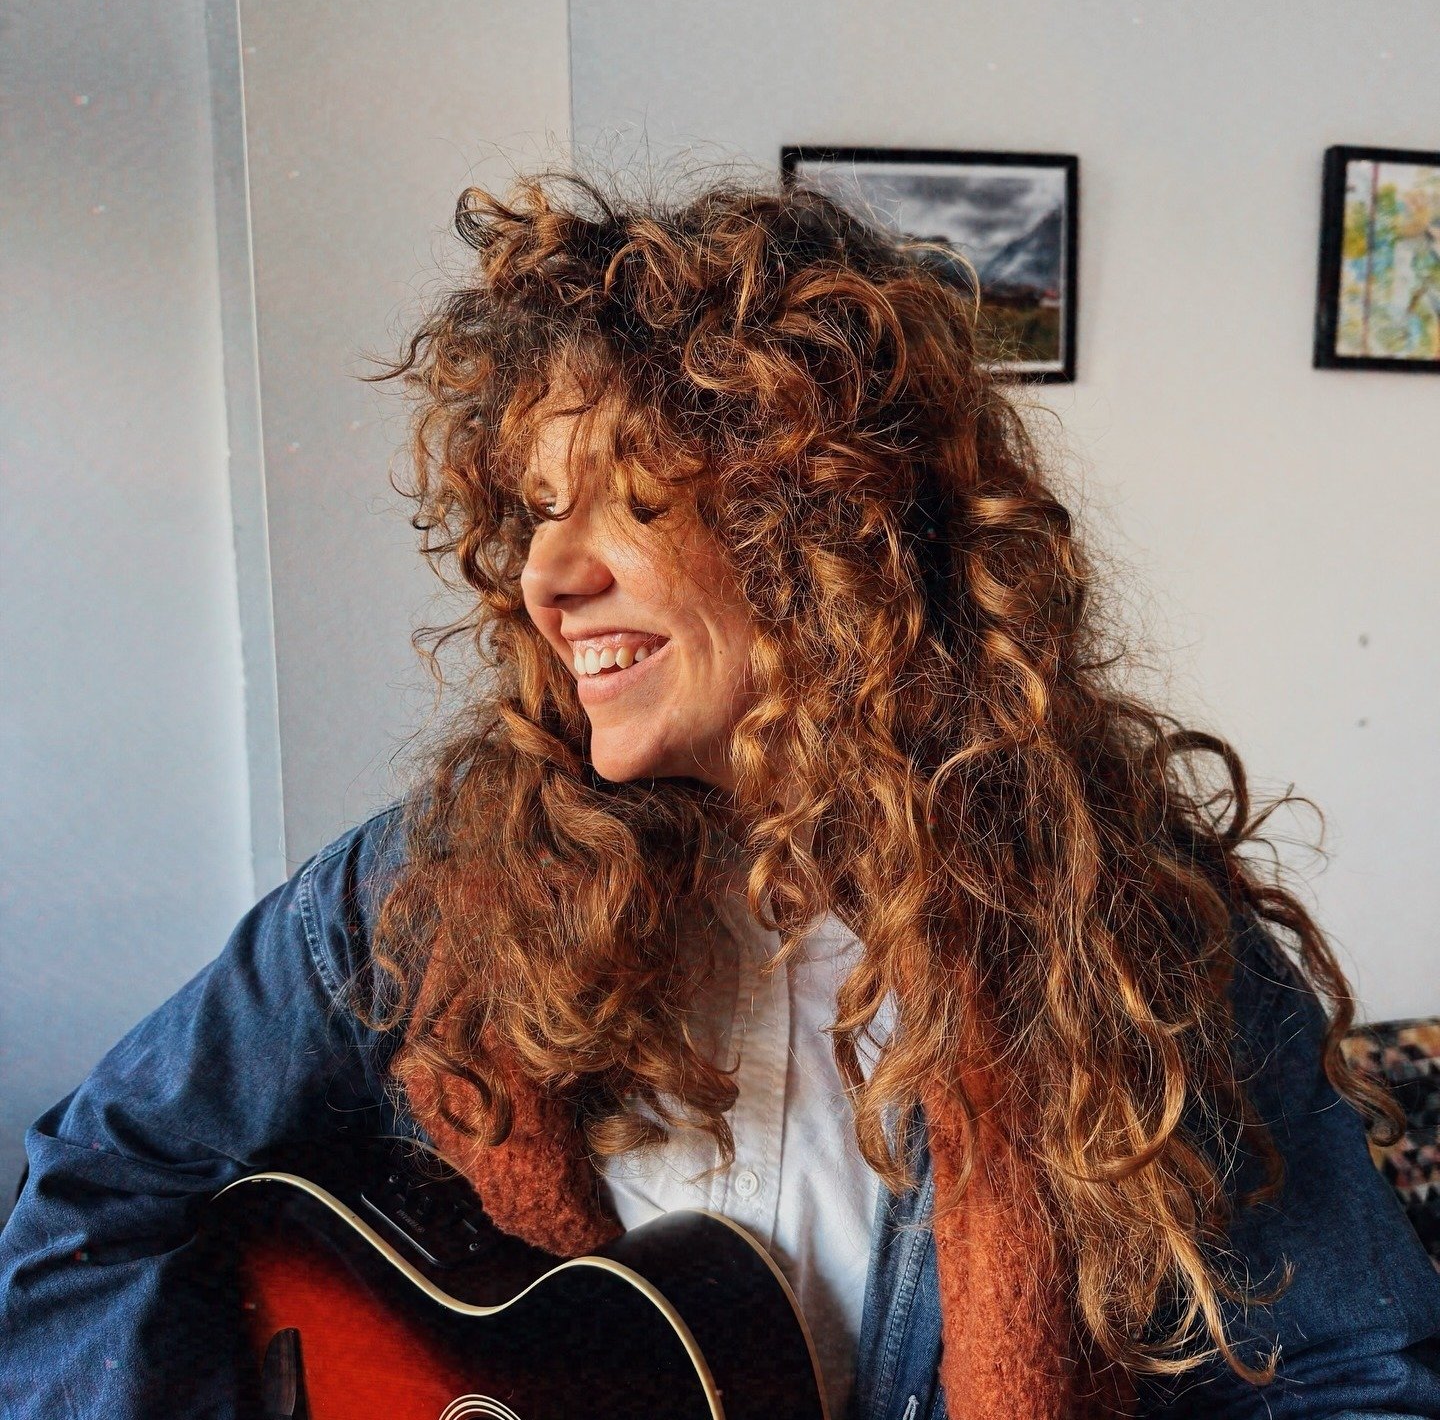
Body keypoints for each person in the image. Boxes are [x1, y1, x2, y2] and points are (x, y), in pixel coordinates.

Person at [3, 169, 1440, 1420]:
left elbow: (1355, 1373)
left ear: (820, 525)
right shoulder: (422, 898)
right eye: (531, 512)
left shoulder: (1124, 931)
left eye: (623, 501)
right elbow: (89, 1202)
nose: (545, 578)